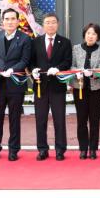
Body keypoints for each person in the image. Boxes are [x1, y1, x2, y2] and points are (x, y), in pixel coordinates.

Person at [0, 8, 32, 162]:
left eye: (13, 19)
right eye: (7, 19)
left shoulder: (25, 39)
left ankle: (13, 150)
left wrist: (13, 70)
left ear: (18, 21)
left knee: (14, 118)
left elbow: (25, 60)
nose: (10, 22)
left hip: (15, 83)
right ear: (2, 21)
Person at [30, 12, 72, 161]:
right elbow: (31, 62)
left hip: (57, 87)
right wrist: (33, 70)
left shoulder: (65, 42)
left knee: (59, 120)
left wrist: (58, 68)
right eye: (47, 22)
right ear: (43, 24)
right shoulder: (36, 42)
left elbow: (68, 61)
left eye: (53, 22)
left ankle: (60, 150)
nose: (50, 25)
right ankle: (42, 149)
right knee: (40, 120)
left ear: (58, 24)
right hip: (40, 86)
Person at [71, 23, 100, 159]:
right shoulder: (76, 48)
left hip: (96, 89)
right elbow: (71, 65)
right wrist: (78, 71)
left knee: (94, 119)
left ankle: (93, 149)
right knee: (81, 120)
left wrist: (93, 73)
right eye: (88, 33)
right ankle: (83, 148)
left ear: (98, 36)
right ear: (84, 35)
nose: (90, 36)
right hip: (79, 88)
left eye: (93, 34)